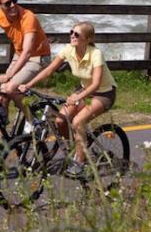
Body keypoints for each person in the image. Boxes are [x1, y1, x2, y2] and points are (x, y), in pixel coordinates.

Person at [19, 21, 116, 175]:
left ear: (88, 38)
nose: (72, 36)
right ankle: (78, 148)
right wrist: (28, 84)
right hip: (84, 90)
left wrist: (78, 98)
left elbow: (96, 84)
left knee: (78, 121)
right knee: (60, 121)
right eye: (71, 32)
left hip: (103, 93)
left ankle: (80, 162)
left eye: (76, 34)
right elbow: (49, 70)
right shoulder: (68, 50)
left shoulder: (96, 54)